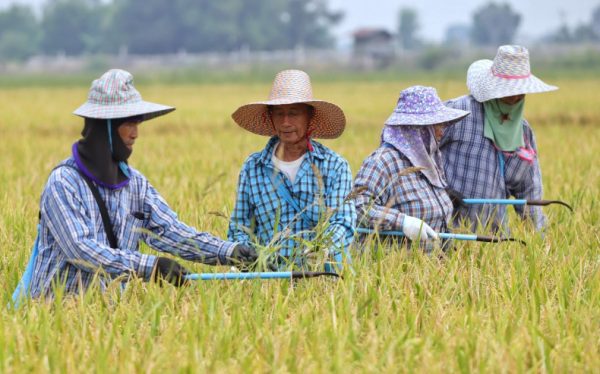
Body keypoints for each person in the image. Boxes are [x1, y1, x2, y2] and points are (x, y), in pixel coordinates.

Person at [14, 69, 257, 301]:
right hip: (55, 314)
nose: (135, 133)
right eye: (129, 123)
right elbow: (82, 250)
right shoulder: (64, 182)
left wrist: (229, 252)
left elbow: (171, 232)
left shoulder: (136, 185)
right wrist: (149, 266)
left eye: (137, 123)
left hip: (106, 319)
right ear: (105, 126)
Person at [228, 69, 356, 272]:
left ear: (310, 117)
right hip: (269, 277)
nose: (286, 122)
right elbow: (240, 226)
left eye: (294, 113)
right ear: (270, 118)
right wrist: (246, 258)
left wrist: (321, 251)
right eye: (279, 114)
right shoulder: (253, 167)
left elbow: (343, 222)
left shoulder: (334, 166)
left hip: (321, 275)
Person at [440, 45, 558, 233]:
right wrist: (439, 190)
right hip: (447, 234)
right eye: (508, 90)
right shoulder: (457, 114)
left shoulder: (523, 133)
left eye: (520, 90)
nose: (514, 96)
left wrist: (540, 244)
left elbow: (529, 191)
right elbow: (418, 151)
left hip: (494, 240)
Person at [353, 86, 470, 251]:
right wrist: (402, 222)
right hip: (393, 268)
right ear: (417, 129)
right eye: (437, 125)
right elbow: (357, 207)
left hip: (432, 266)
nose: (441, 132)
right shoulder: (383, 162)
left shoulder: (431, 160)